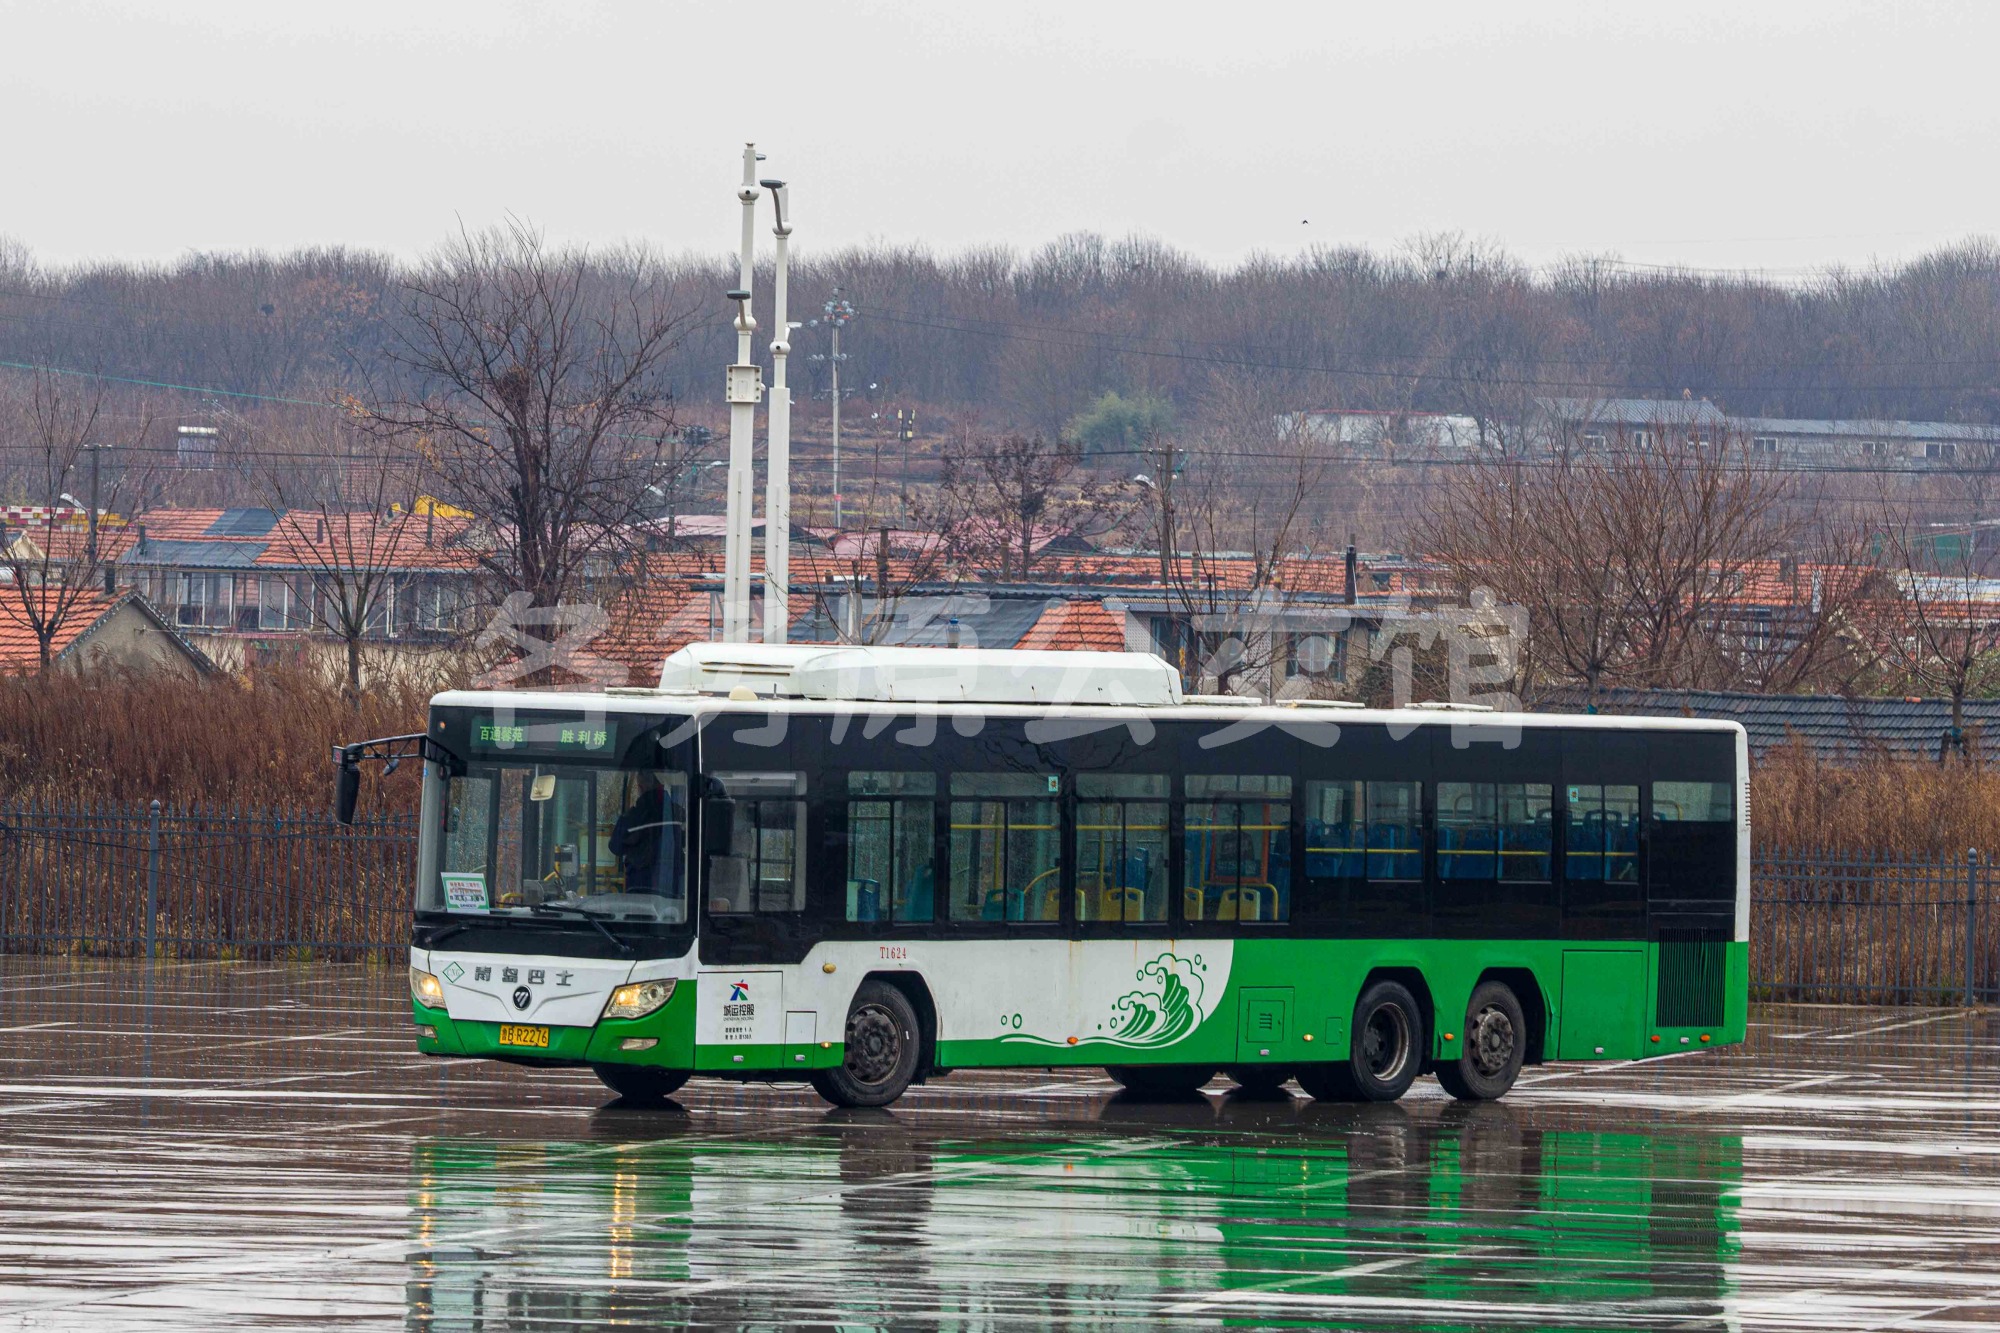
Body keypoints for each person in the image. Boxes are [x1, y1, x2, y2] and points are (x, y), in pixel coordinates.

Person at [608, 771, 682, 895]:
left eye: (639, 785)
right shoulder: (679, 814)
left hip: (639, 888)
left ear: (643, 786)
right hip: (673, 892)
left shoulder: (634, 816)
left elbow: (615, 846)